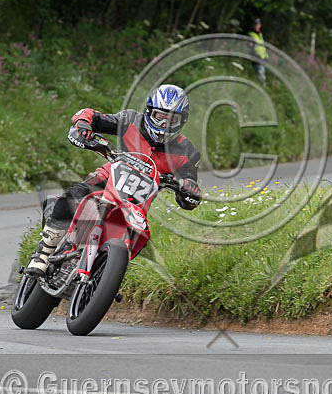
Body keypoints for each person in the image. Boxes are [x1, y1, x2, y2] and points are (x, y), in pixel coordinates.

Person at [25, 84, 203, 277]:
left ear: (182, 121)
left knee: (141, 239)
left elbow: (191, 192)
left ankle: (104, 273)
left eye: (171, 119)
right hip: (106, 178)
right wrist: (83, 125)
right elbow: (91, 115)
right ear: (149, 112)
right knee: (75, 195)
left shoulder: (188, 152)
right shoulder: (130, 120)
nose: (163, 124)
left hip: (137, 204)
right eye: (160, 116)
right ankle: (43, 252)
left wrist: (187, 188)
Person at [249, 18, 268, 84]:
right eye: (256, 25)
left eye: (258, 24)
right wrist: (255, 55)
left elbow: (262, 47)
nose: (257, 26)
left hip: (263, 59)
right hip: (256, 59)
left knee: (261, 76)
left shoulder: (260, 35)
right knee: (261, 77)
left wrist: (266, 57)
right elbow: (250, 46)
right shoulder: (251, 34)